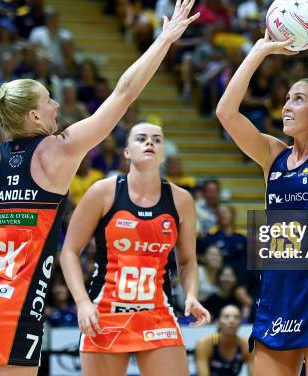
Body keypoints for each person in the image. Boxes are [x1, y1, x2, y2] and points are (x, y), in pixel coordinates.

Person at [0, 0, 199, 376]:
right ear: (33, 115)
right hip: (14, 309)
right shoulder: (59, 152)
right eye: (49, 101)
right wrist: (164, 40)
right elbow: (124, 93)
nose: (57, 106)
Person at [216, 0, 308, 375]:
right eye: (286, 98)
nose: (286, 106)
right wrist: (258, 50)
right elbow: (226, 113)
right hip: (276, 295)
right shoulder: (272, 155)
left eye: (298, 99)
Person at [60, 122, 210, 376]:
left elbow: (186, 260)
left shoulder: (181, 199)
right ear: (127, 151)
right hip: (105, 312)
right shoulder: (102, 192)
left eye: (157, 140)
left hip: (156, 312)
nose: (150, 143)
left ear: (162, 153)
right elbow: (69, 252)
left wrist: (192, 295)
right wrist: (83, 303)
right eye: (141, 138)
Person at [195, 305, 252, 376]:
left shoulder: (246, 345)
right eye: (226, 317)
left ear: (240, 322)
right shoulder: (204, 343)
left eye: (236, 317)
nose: (231, 320)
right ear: (218, 321)